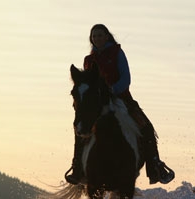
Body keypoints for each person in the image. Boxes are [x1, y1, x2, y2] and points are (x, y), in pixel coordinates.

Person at [65, 24, 175, 186]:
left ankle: (155, 166)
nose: (97, 38)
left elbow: (126, 78)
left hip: (121, 98)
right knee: (81, 127)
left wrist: (112, 90)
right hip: (98, 104)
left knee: (146, 127)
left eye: (100, 35)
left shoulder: (117, 53)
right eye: (94, 36)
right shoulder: (89, 60)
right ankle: (77, 167)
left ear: (107, 36)